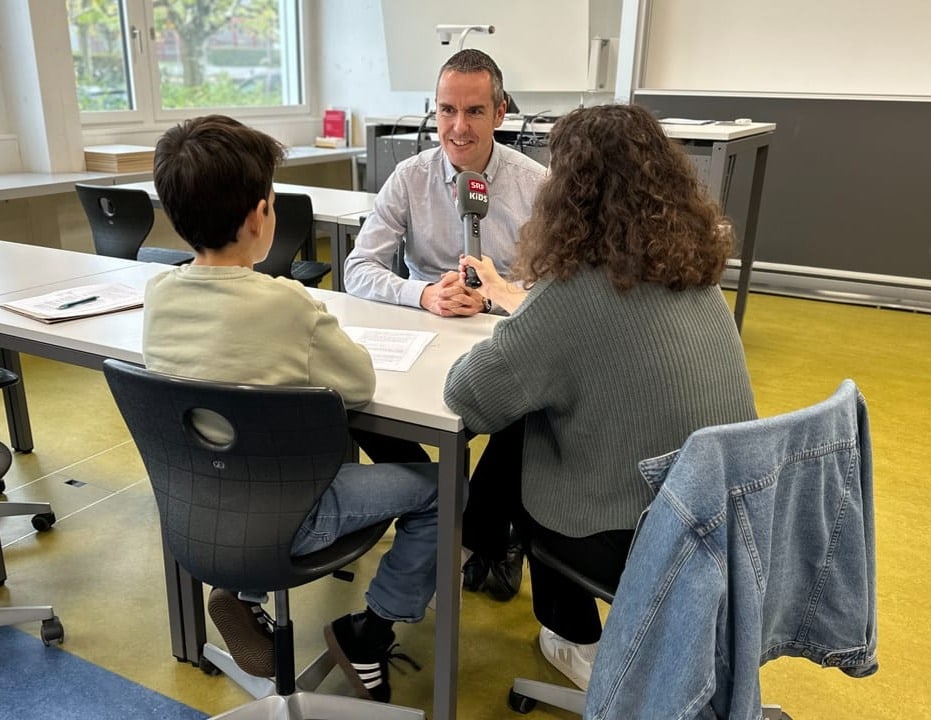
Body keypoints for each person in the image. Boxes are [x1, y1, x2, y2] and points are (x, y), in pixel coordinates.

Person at [443, 103, 758, 691]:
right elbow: (599, 339)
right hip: (726, 521)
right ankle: (475, 545)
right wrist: (514, 297)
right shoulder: (691, 273)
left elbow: (467, 395)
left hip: (642, 538)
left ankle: (572, 637)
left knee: (525, 433)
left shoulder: (571, 293)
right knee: (545, 413)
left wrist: (514, 312)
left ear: (567, 191)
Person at [143, 114, 442, 704]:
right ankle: (372, 626)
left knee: (254, 460)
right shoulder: (288, 304)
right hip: (293, 518)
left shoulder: (159, 297)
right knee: (443, 489)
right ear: (260, 216)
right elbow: (356, 388)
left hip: (196, 511)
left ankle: (243, 591)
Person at [343, 49, 547, 601]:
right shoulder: (409, 178)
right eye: (447, 111)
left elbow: (561, 286)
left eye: (475, 112)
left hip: (504, 341)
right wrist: (423, 293)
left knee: (530, 417)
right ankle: (444, 501)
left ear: (501, 113)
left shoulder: (537, 186)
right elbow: (357, 267)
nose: (458, 128)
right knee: (356, 401)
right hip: (424, 337)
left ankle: (474, 531)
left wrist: (495, 300)